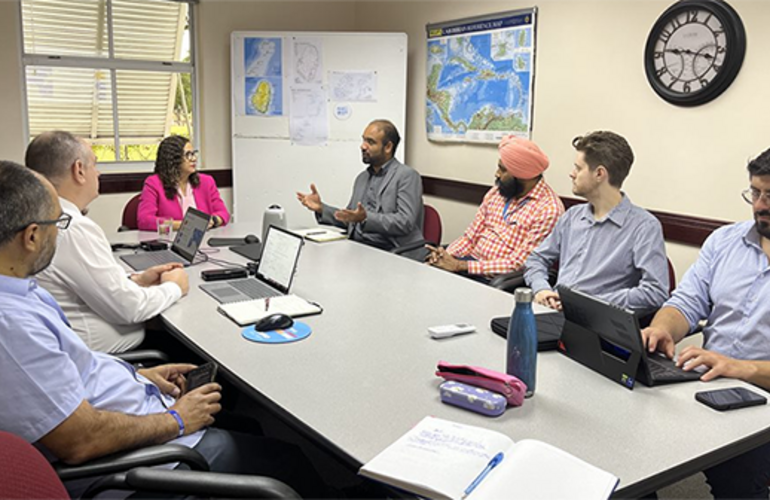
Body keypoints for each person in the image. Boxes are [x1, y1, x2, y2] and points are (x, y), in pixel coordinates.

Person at [0, 161, 328, 500]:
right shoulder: (11, 325)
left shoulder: (20, 292)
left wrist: (141, 375)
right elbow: (80, 440)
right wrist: (177, 420)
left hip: (141, 416)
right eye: (59, 223)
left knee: (250, 426)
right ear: (32, 236)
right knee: (290, 464)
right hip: (139, 467)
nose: (61, 232)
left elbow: (74, 367)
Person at [642, 148, 770, 500]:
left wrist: (739, 367)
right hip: (707, 381)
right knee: (630, 445)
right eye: (755, 192)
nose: (760, 205)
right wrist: (662, 329)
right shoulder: (725, 241)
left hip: (761, 400)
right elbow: (685, 302)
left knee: (737, 479)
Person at [25, 131, 189, 353]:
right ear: (79, 170)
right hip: (103, 358)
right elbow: (129, 308)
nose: (99, 172)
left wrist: (136, 280)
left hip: (62, 346)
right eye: (95, 164)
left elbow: (89, 283)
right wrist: (174, 287)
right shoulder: (72, 228)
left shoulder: (38, 217)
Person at [524, 131, 669, 314]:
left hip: (595, 322)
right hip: (552, 314)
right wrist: (541, 289)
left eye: (578, 168)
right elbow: (537, 259)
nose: (572, 174)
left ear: (599, 174)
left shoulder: (644, 227)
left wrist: (585, 303)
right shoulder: (572, 217)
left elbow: (654, 292)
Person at [427, 136, 563, 280]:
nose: (497, 174)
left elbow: (519, 264)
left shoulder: (548, 210)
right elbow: (470, 238)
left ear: (523, 174)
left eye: (502, 170)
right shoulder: (497, 193)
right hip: (468, 265)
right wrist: (444, 256)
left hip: (495, 280)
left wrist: (460, 265)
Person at [296, 119, 426, 260]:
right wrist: (321, 208)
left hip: (391, 251)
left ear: (388, 147)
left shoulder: (407, 176)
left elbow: (404, 222)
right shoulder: (362, 178)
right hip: (358, 248)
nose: (362, 146)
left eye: (370, 142)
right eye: (363, 140)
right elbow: (350, 218)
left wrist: (365, 218)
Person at [138, 135, 230, 231]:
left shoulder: (206, 181)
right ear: (173, 159)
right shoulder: (153, 183)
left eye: (194, 153)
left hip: (204, 237)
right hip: (170, 238)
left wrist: (213, 220)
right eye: (188, 155)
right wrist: (184, 225)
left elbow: (223, 213)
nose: (194, 159)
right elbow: (145, 221)